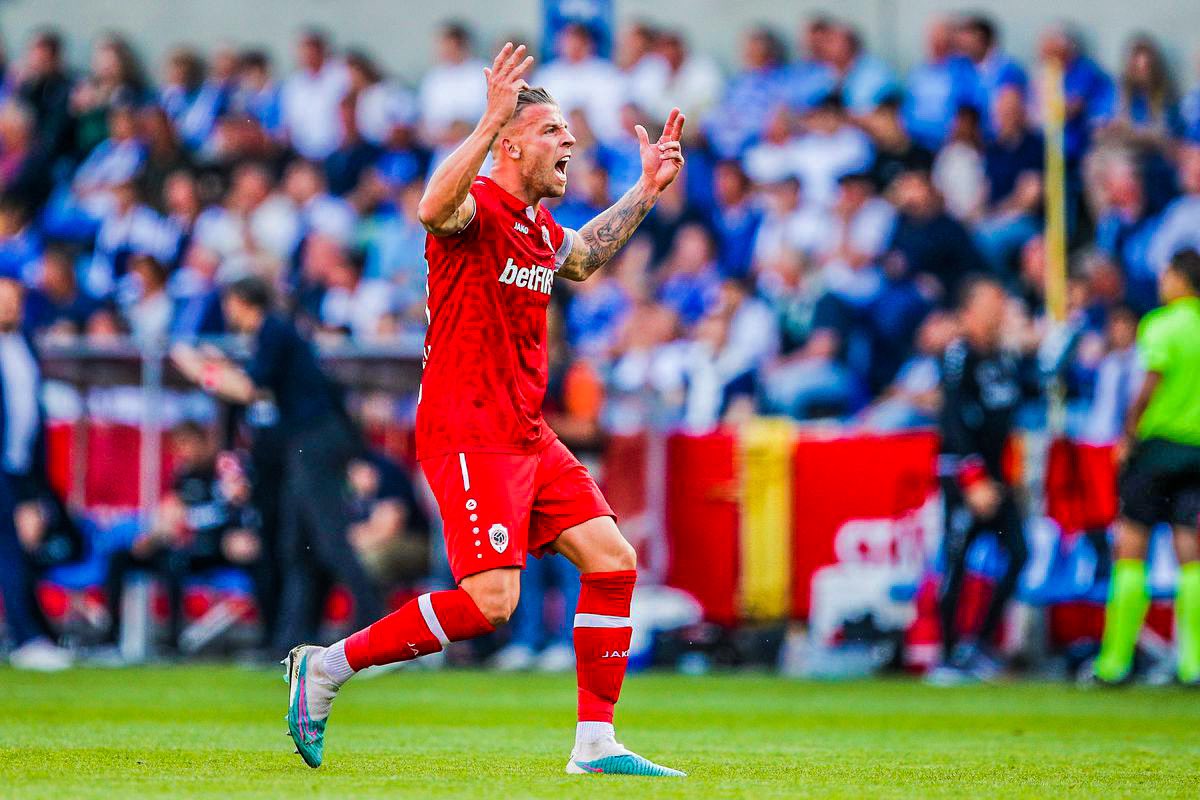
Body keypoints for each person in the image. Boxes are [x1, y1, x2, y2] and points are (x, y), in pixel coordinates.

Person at [282, 43, 687, 778]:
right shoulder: (476, 209)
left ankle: (596, 744)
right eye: (553, 131)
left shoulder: (534, 225)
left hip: (527, 433)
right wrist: (491, 114)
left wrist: (647, 190)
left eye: (568, 131)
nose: (569, 141)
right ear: (510, 142)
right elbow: (431, 207)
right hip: (468, 430)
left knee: (612, 560)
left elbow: (585, 258)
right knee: (492, 603)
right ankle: (327, 669)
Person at [169, 276, 384, 651]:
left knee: (330, 540)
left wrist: (201, 370)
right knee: (294, 545)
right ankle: (292, 641)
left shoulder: (274, 331)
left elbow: (250, 390)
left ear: (240, 302)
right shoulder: (275, 334)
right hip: (307, 443)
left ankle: (377, 632)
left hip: (313, 441)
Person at [1094, 249, 1200, 685]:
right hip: (1196, 451)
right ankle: (1192, 663)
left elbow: (1149, 385)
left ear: (1180, 279)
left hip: (1156, 449)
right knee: (1190, 552)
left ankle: (1114, 662)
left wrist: (1129, 433)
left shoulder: (1161, 325)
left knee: (1130, 546)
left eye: (1166, 274)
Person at [929, 276, 1029, 683]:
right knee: (956, 561)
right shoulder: (960, 353)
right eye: (991, 301)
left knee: (1018, 554)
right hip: (965, 477)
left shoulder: (1002, 357)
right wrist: (972, 479)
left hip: (998, 476)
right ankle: (948, 654)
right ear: (969, 310)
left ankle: (980, 644)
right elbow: (952, 418)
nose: (1000, 307)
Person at [0, 273, 73, 670]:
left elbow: (31, 416)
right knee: (11, 549)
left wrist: (34, 487)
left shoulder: (23, 344)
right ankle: (27, 637)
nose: (10, 307)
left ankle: (33, 633)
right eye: (3, 299)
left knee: (21, 549)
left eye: (14, 300)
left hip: (18, 466)